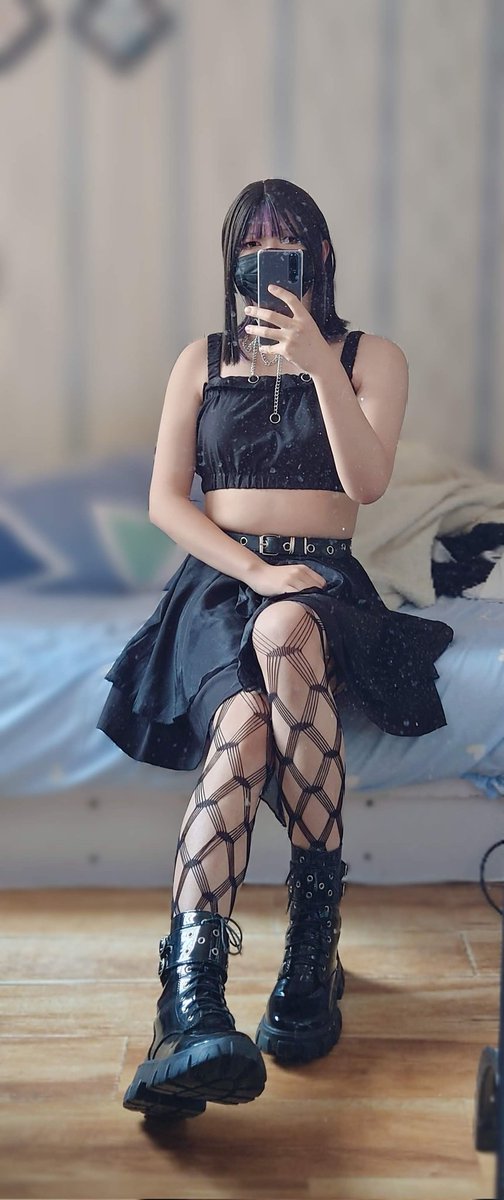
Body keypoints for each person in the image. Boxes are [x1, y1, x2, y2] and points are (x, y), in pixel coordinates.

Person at [96, 178, 454, 1121]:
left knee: (287, 627)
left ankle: (298, 948)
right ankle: (195, 1004)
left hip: (323, 584)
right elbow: (166, 501)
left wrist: (319, 366)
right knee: (246, 720)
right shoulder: (200, 361)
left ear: (320, 256)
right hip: (222, 583)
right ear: (233, 263)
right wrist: (255, 571)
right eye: (251, 246)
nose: (269, 257)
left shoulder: (372, 357)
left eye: (286, 242)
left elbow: (366, 483)